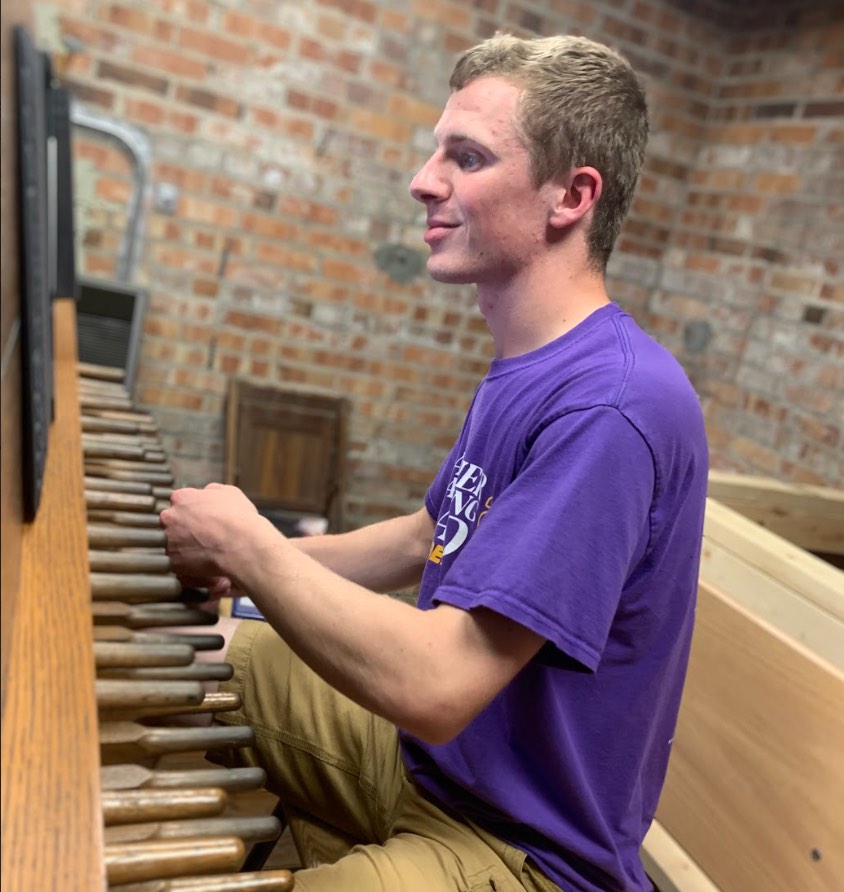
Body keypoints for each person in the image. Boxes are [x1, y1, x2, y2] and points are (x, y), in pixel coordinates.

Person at [160, 32, 709, 892]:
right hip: (436, 765)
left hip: (523, 843)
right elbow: (429, 534)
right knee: (223, 656)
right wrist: (238, 576)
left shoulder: (614, 405)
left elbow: (439, 683)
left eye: (468, 157)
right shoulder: (533, 360)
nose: (424, 179)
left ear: (572, 195)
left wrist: (251, 550)